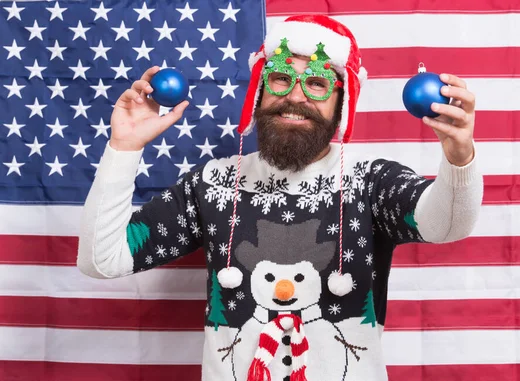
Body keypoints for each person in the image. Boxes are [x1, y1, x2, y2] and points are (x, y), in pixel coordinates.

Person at [77, 14, 483, 381]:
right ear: (259, 89)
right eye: (281, 77)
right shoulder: (212, 183)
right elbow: (101, 259)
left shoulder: (370, 181)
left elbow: (447, 224)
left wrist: (459, 156)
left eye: (319, 82)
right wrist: (124, 148)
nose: (296, 95)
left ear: (340, 104)